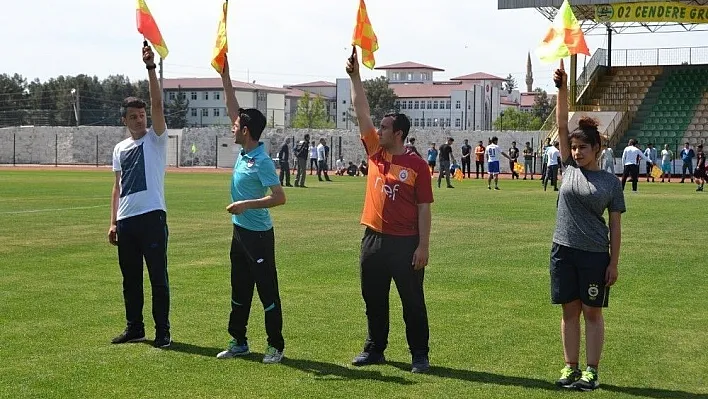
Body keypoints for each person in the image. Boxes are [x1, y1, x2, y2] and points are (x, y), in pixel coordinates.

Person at [347, 48, 433, 374]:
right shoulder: (376, 155)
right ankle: (374, 349)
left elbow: (424, 208)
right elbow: (361, 111)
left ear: (398, 134)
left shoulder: (417, 166)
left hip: (405, 243)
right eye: (378, 128)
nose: (377, 131)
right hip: (372, 239)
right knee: (374, 299)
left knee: (412, 302)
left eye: (384, 128)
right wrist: (356, 76)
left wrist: (423, 246)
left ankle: (419, 355)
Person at [551, 61, 626, 391]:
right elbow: (561, 125)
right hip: (563, 251)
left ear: (598, 149)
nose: (578, 152)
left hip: (595, 255)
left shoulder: (611, 183)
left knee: (592, 314)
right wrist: (562, 88)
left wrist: (613, 262)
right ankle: (570, 367)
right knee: (569, 312)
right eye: (575, 147)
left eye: (584, 147)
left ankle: (591, 372)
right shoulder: (568, 167)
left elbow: (616, 226)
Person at [215, 56, 287, 364]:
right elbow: (234, 108)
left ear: (246, 131)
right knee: (239, 289)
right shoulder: (244, 151)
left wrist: (246, 204)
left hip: (259, 235)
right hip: (239, 233)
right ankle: (238, 341)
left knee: (267, 292)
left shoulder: (262, 160)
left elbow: (280, 197)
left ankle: (275, 346)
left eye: (236, 125)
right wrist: (225, 75)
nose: (232, 126)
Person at [109, 43, 171, 348]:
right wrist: (113, 222)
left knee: (158, 278)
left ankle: (163, 331)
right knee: (130, 280)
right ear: (124, 120)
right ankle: (135, 328)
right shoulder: (120, 149)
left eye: (142, 115)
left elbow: (158, 105)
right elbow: (117, 187)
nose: (140, 120)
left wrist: (150, 67)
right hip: (127, 221)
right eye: (133, 116)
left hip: (152, 216)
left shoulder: (156, 140)